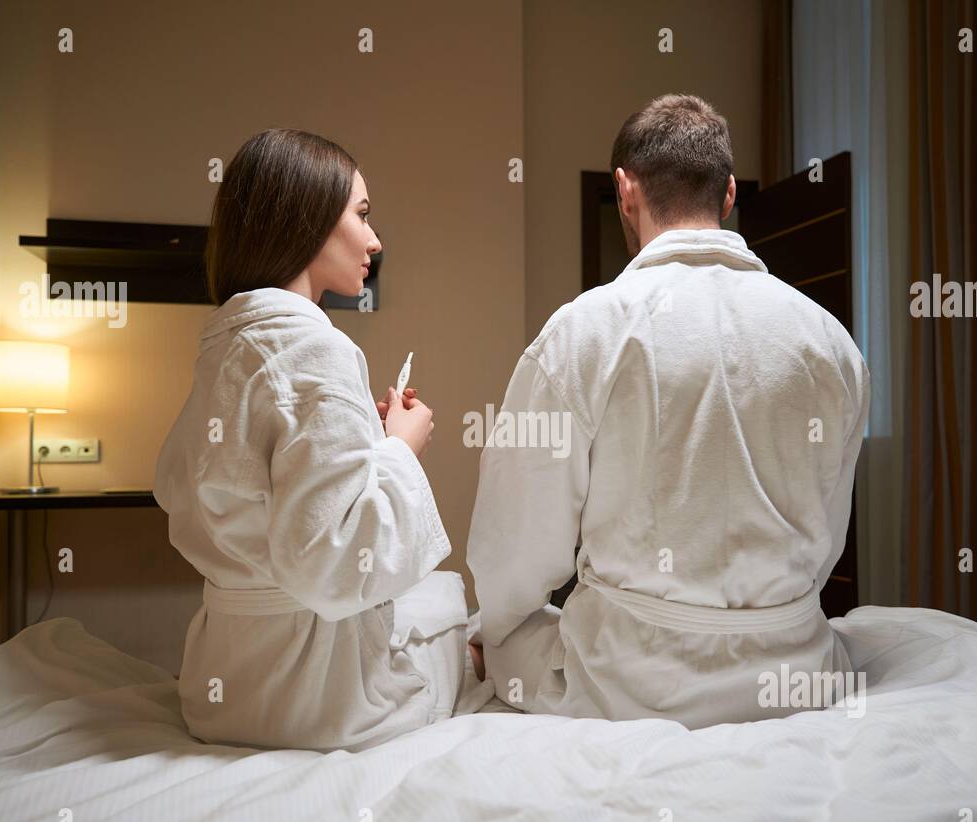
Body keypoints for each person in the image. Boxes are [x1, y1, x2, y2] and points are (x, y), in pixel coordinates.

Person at [467, 94, 870, 727]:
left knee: (502, 638)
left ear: (624, 191)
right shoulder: (830, 341)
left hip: (626, 680)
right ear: (729, 193)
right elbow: (825, 538)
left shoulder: (582, 332)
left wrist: (495, 633)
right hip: (796, 674)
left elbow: (516, 538)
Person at [155, 129, 476, 752]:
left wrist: (368, 446)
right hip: (314, 703)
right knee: (455, 609)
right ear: (308, 221)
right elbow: (334, 562)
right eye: (362, 215)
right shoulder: (316, 347)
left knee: (434, 602)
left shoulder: (226, 347)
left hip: (221, 692)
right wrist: (400, 449)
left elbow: (220, 490)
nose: (375, 241)